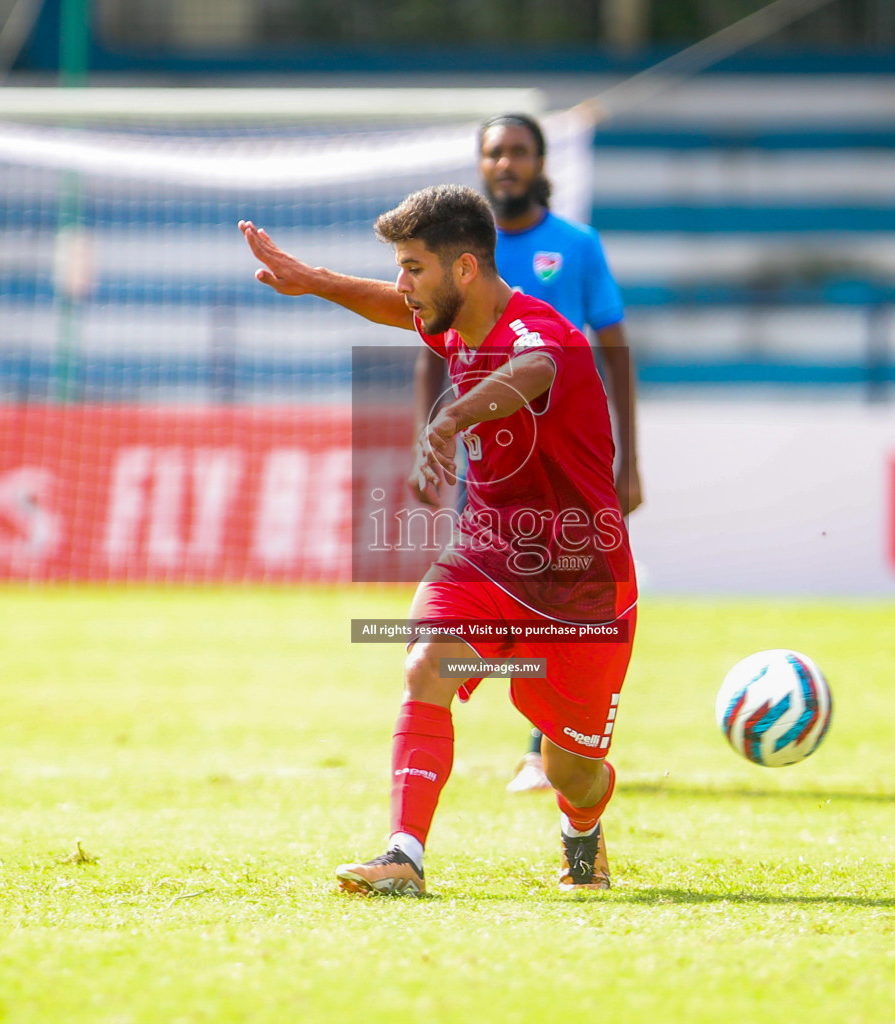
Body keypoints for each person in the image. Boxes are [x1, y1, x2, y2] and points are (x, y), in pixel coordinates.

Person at [241, 185, 638, 895]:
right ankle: (405, 855)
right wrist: (314, 281)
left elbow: (535, 371)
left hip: (582, 574)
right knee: (427, 663)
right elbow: (398, 309)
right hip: (486, 550)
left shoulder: (539, 331)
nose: (404, 285)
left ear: (463, 270)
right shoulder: (450, 320)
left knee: (570, 770)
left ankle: (582, 827)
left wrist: (454, 414)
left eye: (414, 267)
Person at [415, 113, 642, 794]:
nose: (506, 163)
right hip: (487, 452)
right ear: (480, 165)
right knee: (477, 596)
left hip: (563, 460)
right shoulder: (466, 259)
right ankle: (527, 736)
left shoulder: (576, 246)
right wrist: (434, 429)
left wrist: (629, 458)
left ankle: (550, 746)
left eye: (519, 152)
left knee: (566, 583)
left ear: (541, 164)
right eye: (494, 153)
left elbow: (613, 346)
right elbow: (432, 341)